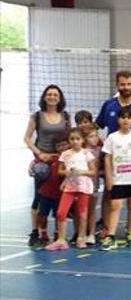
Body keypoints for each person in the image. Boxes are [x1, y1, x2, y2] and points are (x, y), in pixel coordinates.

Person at [24, 85, 71, 247]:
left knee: (59, 196)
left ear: (60, 98)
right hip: (43, 162)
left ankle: (58, 233)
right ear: (44, 97)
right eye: (49, 94)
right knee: (40, 197)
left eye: (55, 94)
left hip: (61, 161)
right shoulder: (37, 116)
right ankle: (36, 232)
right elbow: (27, 139)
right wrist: (39, 154)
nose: (52, 97)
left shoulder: (65, 116)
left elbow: (71, 138)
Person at [99, 107, 131, 251]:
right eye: (123, 117)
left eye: (129, 117)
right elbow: (107, 159)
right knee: (115, 206)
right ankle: (111, 235)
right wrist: (109, 177)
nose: (126, 120)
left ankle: (130, 233)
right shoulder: (112, 137)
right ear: (118, 120)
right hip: (118, 178)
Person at [50, 129, 98, 250]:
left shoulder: (87, 154)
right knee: (61, 212)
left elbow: (93, 171)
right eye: (72, 139)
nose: (75, 141)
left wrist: (82, 172)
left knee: (82, 213)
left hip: (83, 186)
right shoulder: (65, 154)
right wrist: (68, 173)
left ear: (82, 140)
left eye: (78, 139)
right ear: (69, 140)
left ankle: (81, 238)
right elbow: (60, 170)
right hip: (70, 187)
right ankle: (61, 239)